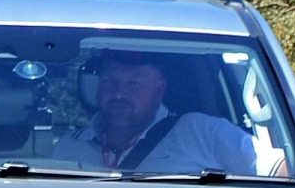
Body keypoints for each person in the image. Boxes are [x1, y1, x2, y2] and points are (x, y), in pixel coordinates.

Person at [51, 49, 259, 176]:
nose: (119, 94)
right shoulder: (68, 148)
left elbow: (276, 169)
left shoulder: (200, 131)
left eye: (133, 84)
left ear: (158, 90)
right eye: (110, 82)